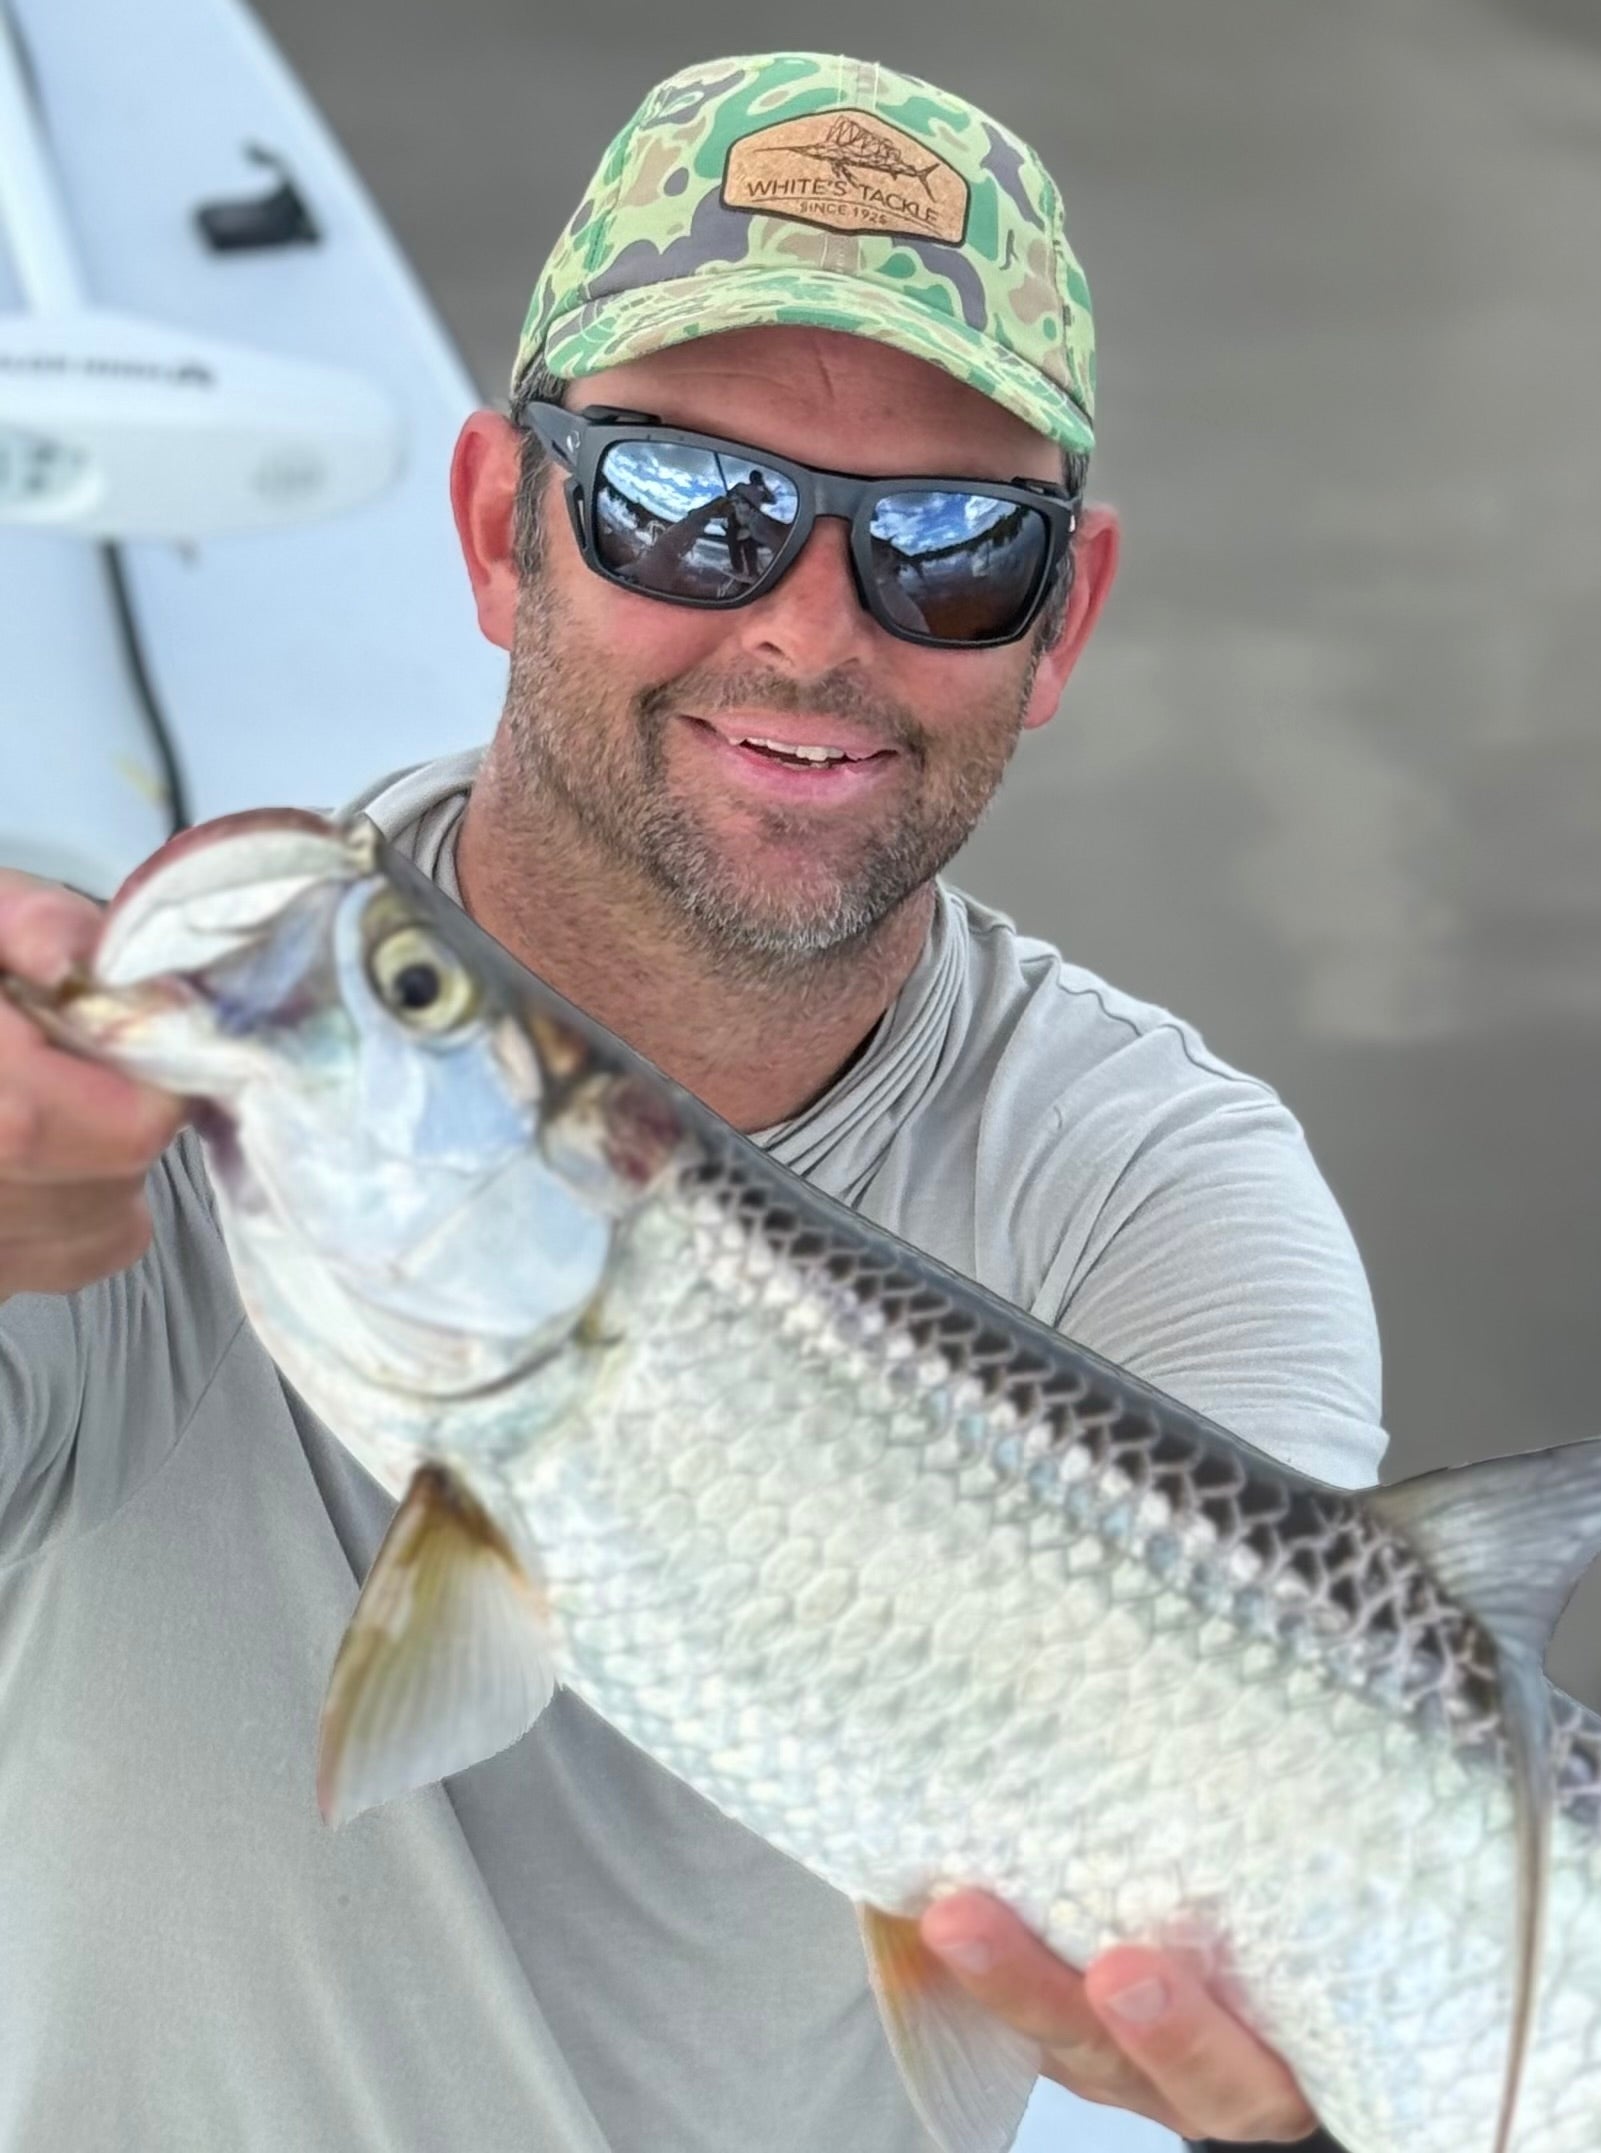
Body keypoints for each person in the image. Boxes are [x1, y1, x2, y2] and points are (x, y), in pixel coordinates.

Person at [0, 51, 1384, 2153]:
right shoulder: (145, 1122)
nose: (812, 631)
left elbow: (1315, 1871)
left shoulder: (1160, 1200)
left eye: (948, 546)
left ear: (1063, 617)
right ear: (499, 529)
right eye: (687, 505)